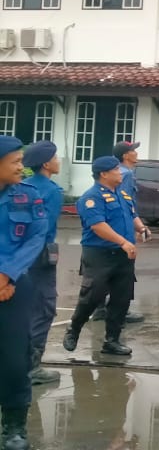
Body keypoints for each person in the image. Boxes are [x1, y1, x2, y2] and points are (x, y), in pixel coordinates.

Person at [1, 135, 51, 450]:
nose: (23, 167)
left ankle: (14, 427)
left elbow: (36, 237)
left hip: (15, 286)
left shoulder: (28, 196)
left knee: (15, 360)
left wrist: (6, 274)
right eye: (16, 162)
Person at [62, 156, 140, 356]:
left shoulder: (123, 194)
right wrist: (122, 241)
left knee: (121, 299)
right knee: (92, 297)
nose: (120, 172)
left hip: (124, 255)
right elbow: (98, 226)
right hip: (99, 254)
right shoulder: (91, 197)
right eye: (116, 169)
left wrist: (141, 227)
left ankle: (112, 341)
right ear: (104, 174)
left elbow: (131, 215)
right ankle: (74, 329)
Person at [21, 142, 62, 385]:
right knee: (45, 307)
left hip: (20, 256)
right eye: (55, 158)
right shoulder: (52, 191)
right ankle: (33, 366)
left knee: (23, 308)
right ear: (46, 164)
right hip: (41, 256)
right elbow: (44, 229)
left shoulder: (22, 186)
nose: (59, 160)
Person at [93, 140, 145, 324]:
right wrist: (134, 227)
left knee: (108, 268)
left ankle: (99, 307)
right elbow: (124, 203)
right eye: (133, 150)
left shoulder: (121, 173)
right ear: (125, 155)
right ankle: (120, 309)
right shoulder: (125, 175)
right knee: (123, 269)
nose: (136, 153)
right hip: (120, 227)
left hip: (114, 226)